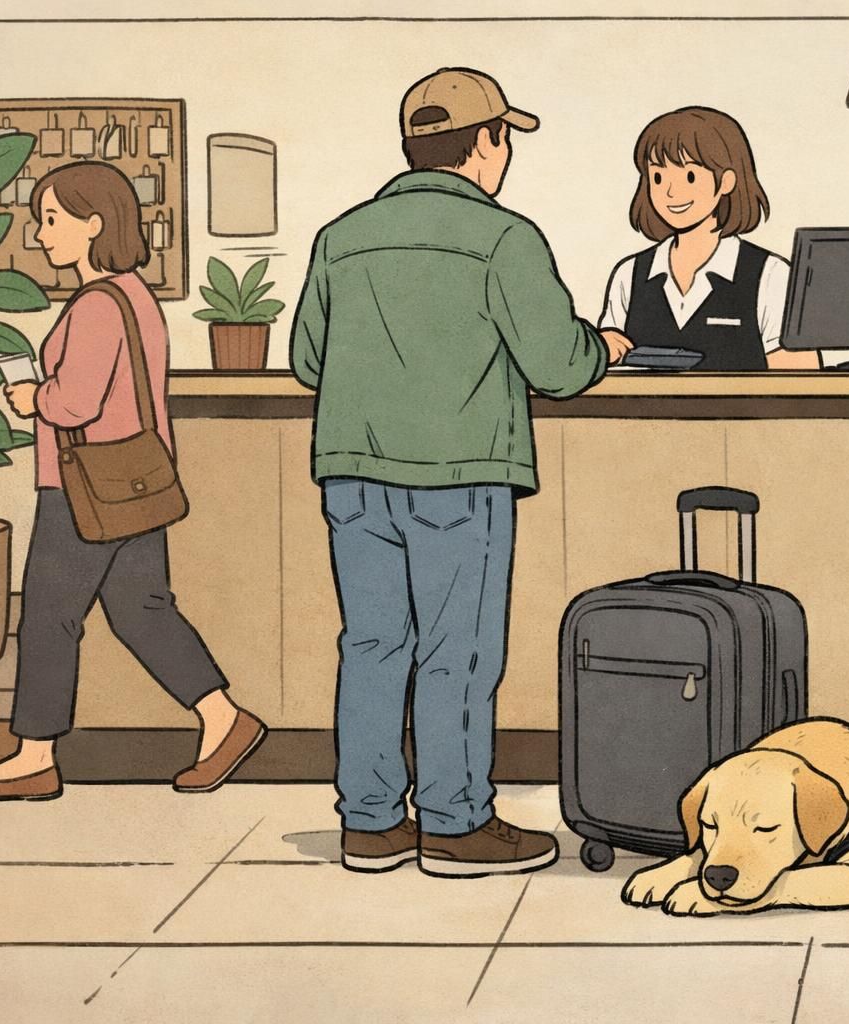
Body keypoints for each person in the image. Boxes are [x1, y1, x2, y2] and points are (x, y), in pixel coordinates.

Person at [290, 68, 626, 876]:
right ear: (486, 142)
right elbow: (558, 365)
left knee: (372, 645)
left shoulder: (340, 237)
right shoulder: (504, 238)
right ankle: (454, 822)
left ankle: (370, 824)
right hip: (459, 474)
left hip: (353, 475)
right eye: (503, 138)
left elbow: (306, 361)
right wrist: (603, 347)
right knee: (457, 652)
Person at [0, 162, 265, 801]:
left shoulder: (95, 304)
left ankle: (34, 757)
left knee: (48, 615)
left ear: (94, 223)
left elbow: (75, 403)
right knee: (141, 610)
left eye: (52, 220)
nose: (41, 235)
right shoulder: (135, 295)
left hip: (83, 489)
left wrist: (30, 396)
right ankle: (223, 718)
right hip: (136, 481)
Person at [599, 106, 819, 370]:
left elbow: (799, 379)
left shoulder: (771, 275)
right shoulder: (629, 274)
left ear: (726, 181)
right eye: (658, 177)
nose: (670, 192)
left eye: (689, 176)